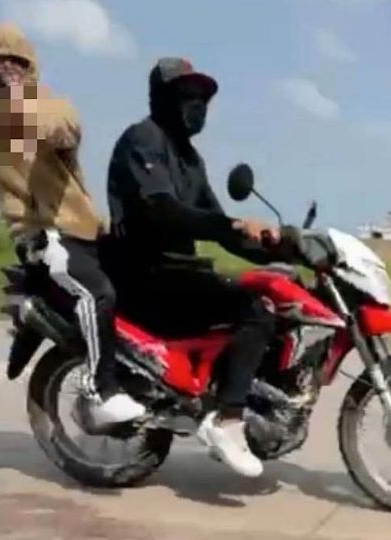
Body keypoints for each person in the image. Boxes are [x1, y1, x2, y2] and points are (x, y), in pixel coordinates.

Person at [105, 57, 279, 477]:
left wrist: (281, 247)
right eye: (188, 96)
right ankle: (228, 420)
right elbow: (162, 210)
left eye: (203, 99)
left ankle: (243, 396)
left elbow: (218, 227)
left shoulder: (191, 159)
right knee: (255, 309)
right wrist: (230, 224)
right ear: (162, 97)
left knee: (280, 294)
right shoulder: (143, 140)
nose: (198, 106)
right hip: (145, 275)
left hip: (178, 273)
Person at [0, 23, 146, 425]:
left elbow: (64, 130)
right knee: (96, 295)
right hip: (41, 234)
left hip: (84, 228)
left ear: (27, 63)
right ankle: (99, 388)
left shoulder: (51, 104)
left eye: (13, 62)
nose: (5, 69)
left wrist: (23, 104)